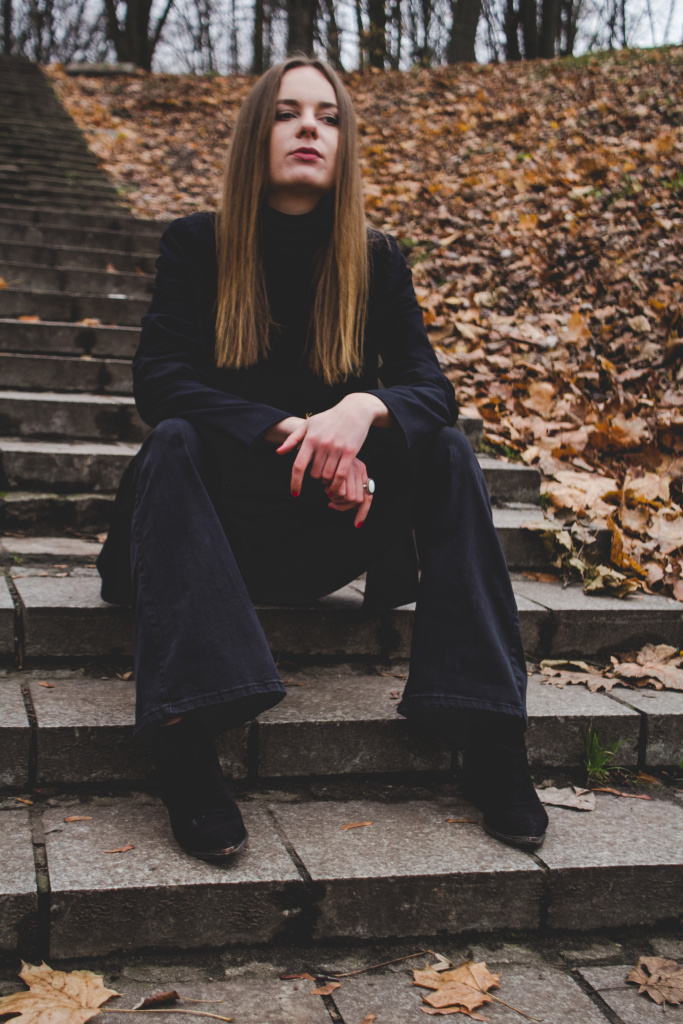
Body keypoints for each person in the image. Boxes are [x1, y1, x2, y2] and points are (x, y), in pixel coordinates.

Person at [97, 55, 548, 863]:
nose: (309, 126)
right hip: (207, 533)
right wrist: (294, 431)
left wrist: (360, 411)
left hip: (320, 531)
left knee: (446, 449)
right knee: (174, 437)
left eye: (328, 117)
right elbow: (160, 382)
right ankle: (185, 734)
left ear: (344, 145)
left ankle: (489, 730)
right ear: (255, 134)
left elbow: (430, 387)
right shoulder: (197, 244)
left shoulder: (374, 260)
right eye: (287, 112)